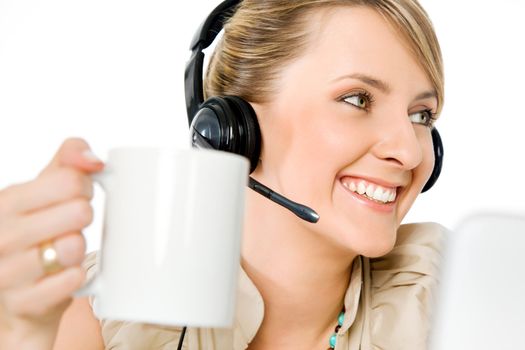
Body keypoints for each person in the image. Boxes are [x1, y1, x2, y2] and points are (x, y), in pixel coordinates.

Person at [0, 0, 446, 349]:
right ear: (230, 129)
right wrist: (19, 334)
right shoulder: (90, 313)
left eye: (421, 115)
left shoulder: (453, 298)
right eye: (357, 99)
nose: (407, 151)